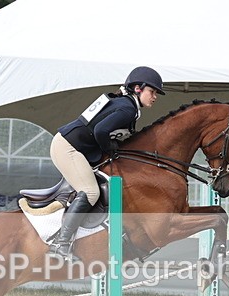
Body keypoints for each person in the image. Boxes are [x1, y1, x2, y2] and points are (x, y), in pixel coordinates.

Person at [47, 66, 165, 260]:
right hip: (67, 147)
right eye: (152, 91)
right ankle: (62, 243)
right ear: (137, 88)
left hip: (73, 145)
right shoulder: (128, 109)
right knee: (91, 192)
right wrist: (111, 149)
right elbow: (101, 131)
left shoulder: (126, 103)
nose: (154, 97)